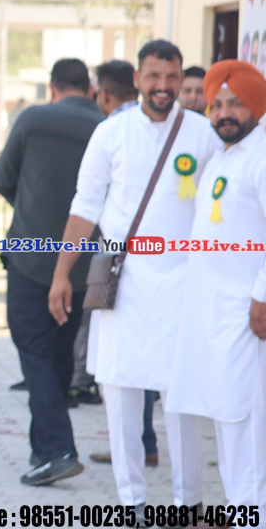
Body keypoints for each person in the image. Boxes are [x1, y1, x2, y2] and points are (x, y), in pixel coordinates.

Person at [50, 40, 221, 510]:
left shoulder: (204, 134)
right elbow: (85, 207)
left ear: (181, 78)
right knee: (120, 392)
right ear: (137, 79)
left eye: (171, 77)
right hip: (121, 282)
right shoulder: (110, 133)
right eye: (153, 76)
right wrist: (62, 274)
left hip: (184, 284)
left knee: (182, 399)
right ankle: (131, 505)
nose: (163, 86)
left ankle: (189, 505)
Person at [0, 58, 103, 486]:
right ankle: (43, 450)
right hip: (81, 262)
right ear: (90, 89)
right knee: (58, 351)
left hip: (30, 257)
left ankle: (57, 449)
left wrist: (31, 206)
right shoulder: (107, 128)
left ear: (53, 87)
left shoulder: (33, 118)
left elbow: (2, 178)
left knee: (33, 349)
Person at [167, 60, 266, 510]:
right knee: (228, 423)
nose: (225, 113)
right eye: (217, 105)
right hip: (215, 317)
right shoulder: (223, 157)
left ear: (256, 105)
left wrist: (262, 296)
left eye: (236, 103)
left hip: (248, 317)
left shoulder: (261, 156)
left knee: (249, 431)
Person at [80, 60, 161, 468]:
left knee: (125, 365)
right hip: (154, 261)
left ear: (105, 94)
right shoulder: (140, 127)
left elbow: (90, 201)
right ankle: (143, 443)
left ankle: (135, 445)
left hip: (124, 262)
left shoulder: (113, 130)